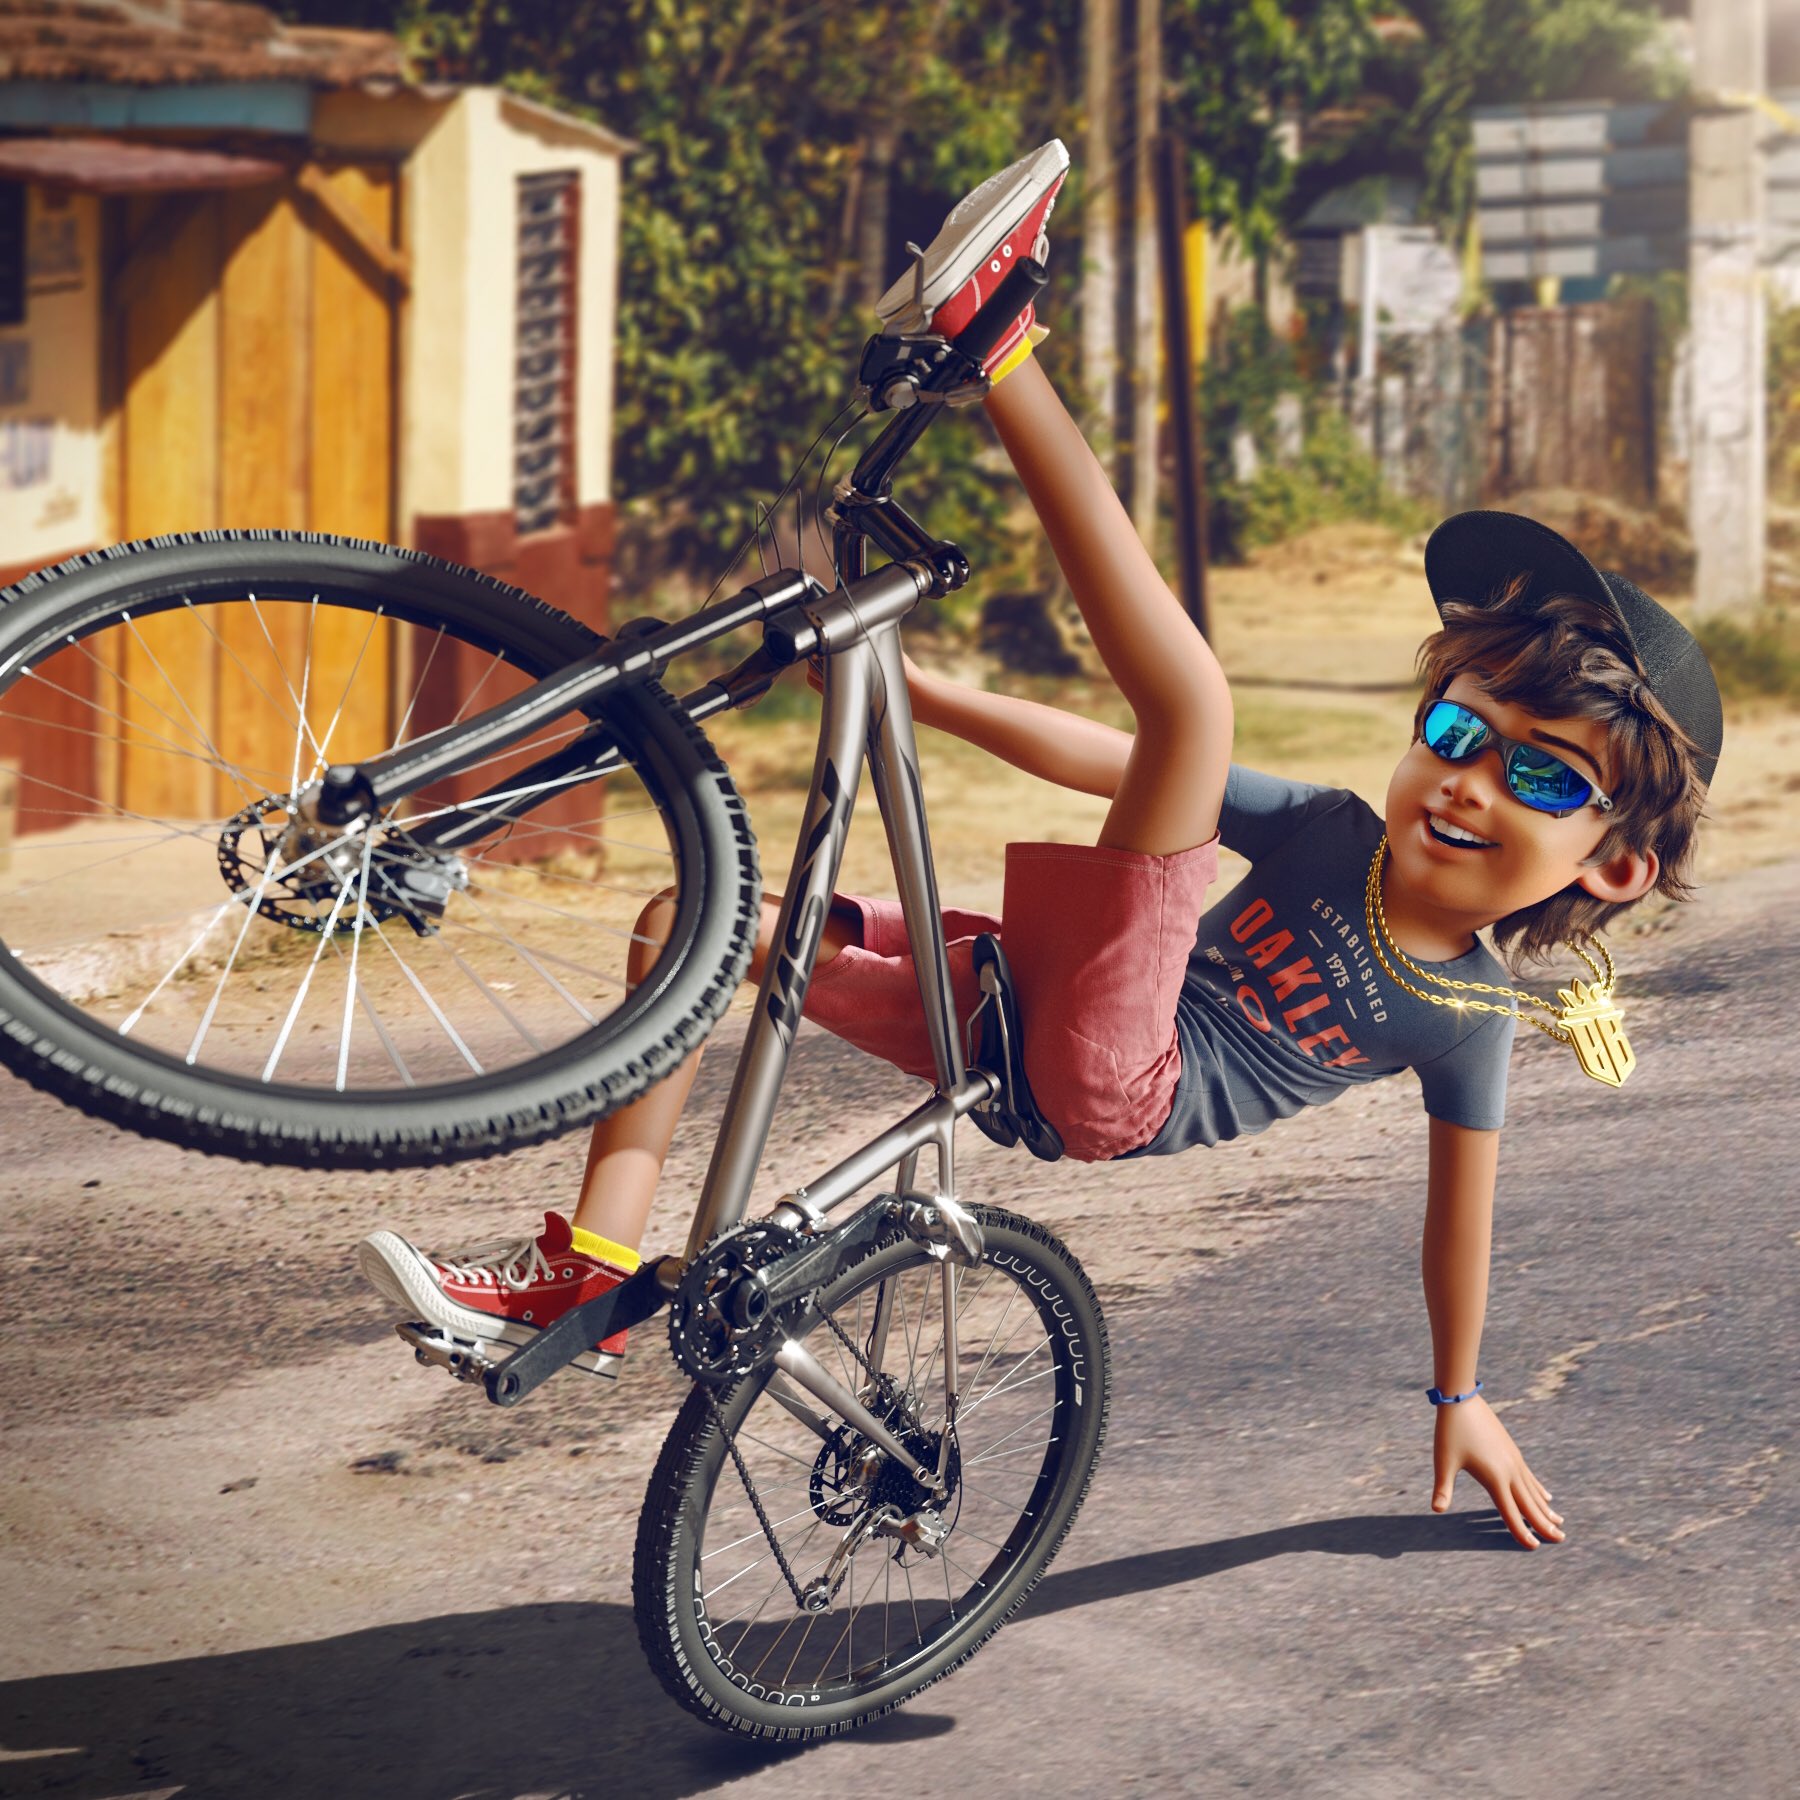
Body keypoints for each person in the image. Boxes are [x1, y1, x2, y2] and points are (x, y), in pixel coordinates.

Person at [359, 141, 1723, 1550]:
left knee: (1194, 697)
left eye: (1543, 783)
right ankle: (589, 1269)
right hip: (1017, 1009)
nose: (1472, 786)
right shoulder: (1336, 836)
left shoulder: (1469, 1017)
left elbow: (1459, 1227)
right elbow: (1121, 766)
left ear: (1612, 868)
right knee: (690, 932)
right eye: (1458, 733)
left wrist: (1461, 1393)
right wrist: (908, 691)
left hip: (1118, 1081)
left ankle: (1002, 340)